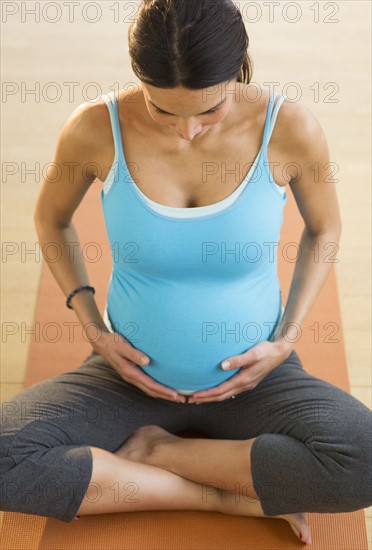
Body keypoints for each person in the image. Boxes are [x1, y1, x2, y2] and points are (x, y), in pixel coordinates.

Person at [1, 0, 371, 546]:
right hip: (127, 375)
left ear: (238, 68)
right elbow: (50, 220)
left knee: (362, 459)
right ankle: (221, 496)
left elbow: (325, 230)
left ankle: (158, 450)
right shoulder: (95, 128)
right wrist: (94, 330)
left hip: (255, 377)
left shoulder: (288, 127)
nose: (189, 130)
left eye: (209, 109)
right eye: (163, 111)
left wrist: (284, 342)